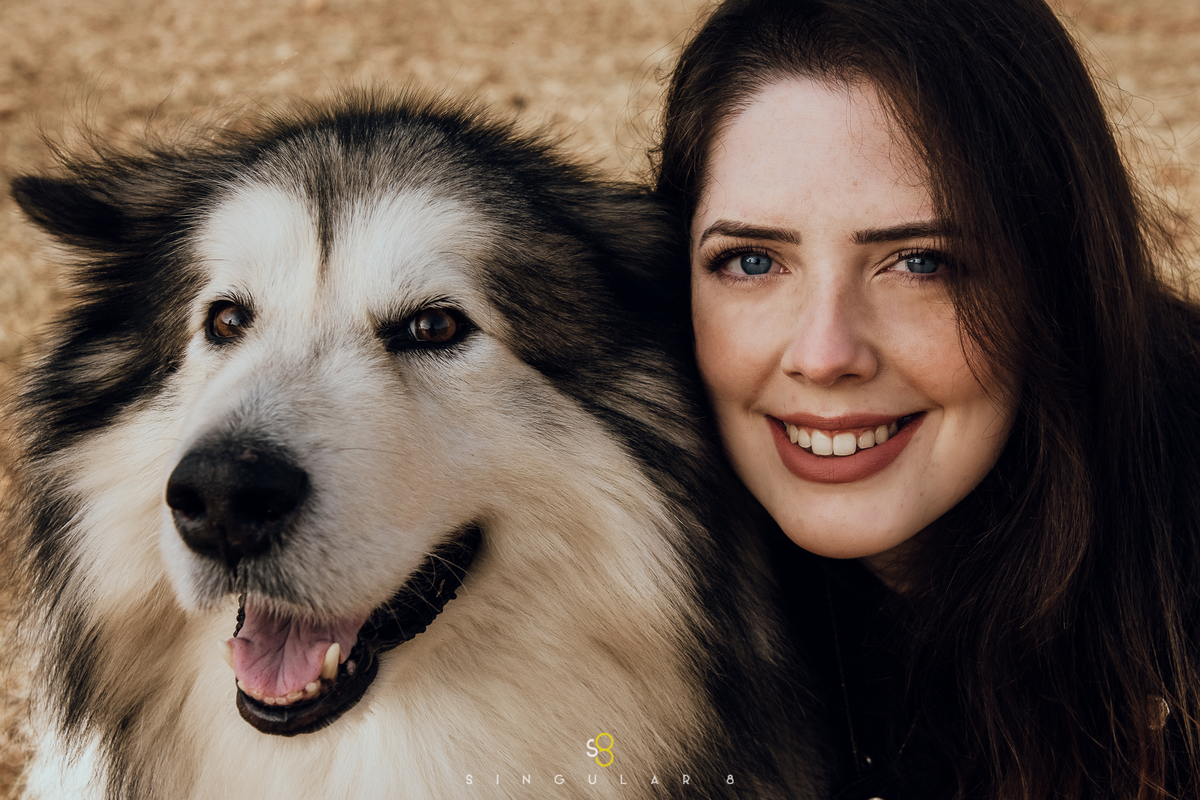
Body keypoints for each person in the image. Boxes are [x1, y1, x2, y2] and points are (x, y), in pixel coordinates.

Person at [652, 0, 1200, 798]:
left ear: (1054, 277)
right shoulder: (633, 582)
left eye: (919, 263)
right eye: (751, 261)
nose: (824, 354)